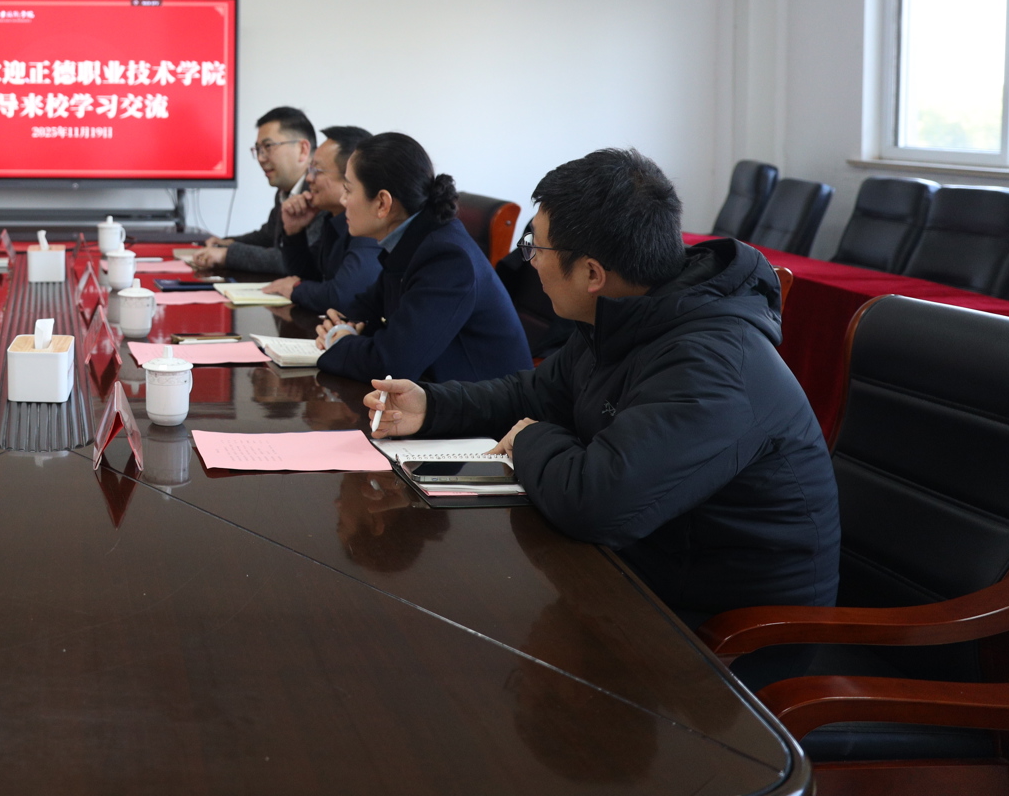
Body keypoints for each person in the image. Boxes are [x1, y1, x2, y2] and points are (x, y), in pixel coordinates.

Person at [363, 148, 840, 619]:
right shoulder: (627, 313)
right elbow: (533, 393)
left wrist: (530, 438)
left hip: (725, 630)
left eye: (536, 248)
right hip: (641, 573)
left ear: (592, 273)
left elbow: (596, 503)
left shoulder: (712, 364)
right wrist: (431, 406)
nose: (530, 262)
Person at [315, 132, 527, 383]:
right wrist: (342, 326)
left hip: (489, 404)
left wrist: (340, 342)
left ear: (382, 203)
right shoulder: (412, 240)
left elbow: (392, 364)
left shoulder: (447, 259)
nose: (343, 200)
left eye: (348, 190)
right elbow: (363, 310)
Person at [262, 125, 380, 312]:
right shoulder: (333, 219)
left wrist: (295, 289)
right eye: (310, 169)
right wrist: (294, 232)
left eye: (317, 170)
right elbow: (308, 276)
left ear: (350, 178)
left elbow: (343, 296)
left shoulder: (369, 225)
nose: (309, 178)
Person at [188, 106, 316, 273]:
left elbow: (298, 261)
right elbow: (268, 236)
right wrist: (228, 243)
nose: (261, 158)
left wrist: (227, 255)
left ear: (302, 149)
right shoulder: (285, 191)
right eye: (258, 150)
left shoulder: (319, 193)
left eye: (268, 146)